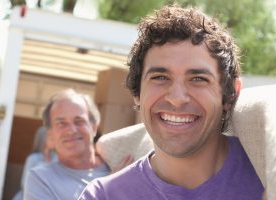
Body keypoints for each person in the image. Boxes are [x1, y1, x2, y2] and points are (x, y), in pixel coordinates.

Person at [79, 4, 264, 200]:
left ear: (230, 94)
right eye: (160, 77)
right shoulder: (104, 196)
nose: (177, 99)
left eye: (198, 79)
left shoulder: (274, 178)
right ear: (136, 92)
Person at [24, 89, 123, 200]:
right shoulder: (41, 180)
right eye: (61, 123)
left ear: (94, 127)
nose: (71, 130)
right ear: (50, 135)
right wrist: (111, 189)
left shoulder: (121, 165)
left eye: (79, 121)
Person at [13, 126, 57, 200]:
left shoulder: (56, 158)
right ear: (43, 139)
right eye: (50, 136)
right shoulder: (32, 159)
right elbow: (25, 182)